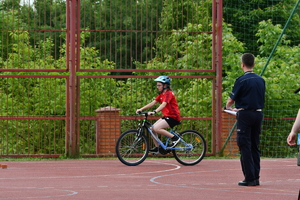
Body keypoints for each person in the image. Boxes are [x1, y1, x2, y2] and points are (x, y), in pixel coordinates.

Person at [225, 53, 265, 186]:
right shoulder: (261, 80)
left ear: (242, 64)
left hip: (245, 115)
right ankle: (256, 176)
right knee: (254, 145)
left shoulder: (241, 80)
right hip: (258, 114)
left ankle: (249, 177)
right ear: (253, 64)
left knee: (244, 145)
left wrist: (229, 106)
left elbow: (231, 99)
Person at [136, 76, 181, 154]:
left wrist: (154, 112)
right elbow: (153, 103)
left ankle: (175, 138)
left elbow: (163, 105)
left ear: (165, 85)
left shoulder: (168, 93)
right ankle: (158, 148)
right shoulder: (161, 95)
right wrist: (141, 109)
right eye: (157, 85)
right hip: (167, 116)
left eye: (159, 85)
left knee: (156, 128)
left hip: (173, 117)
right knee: (152, 129)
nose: (157, 87)